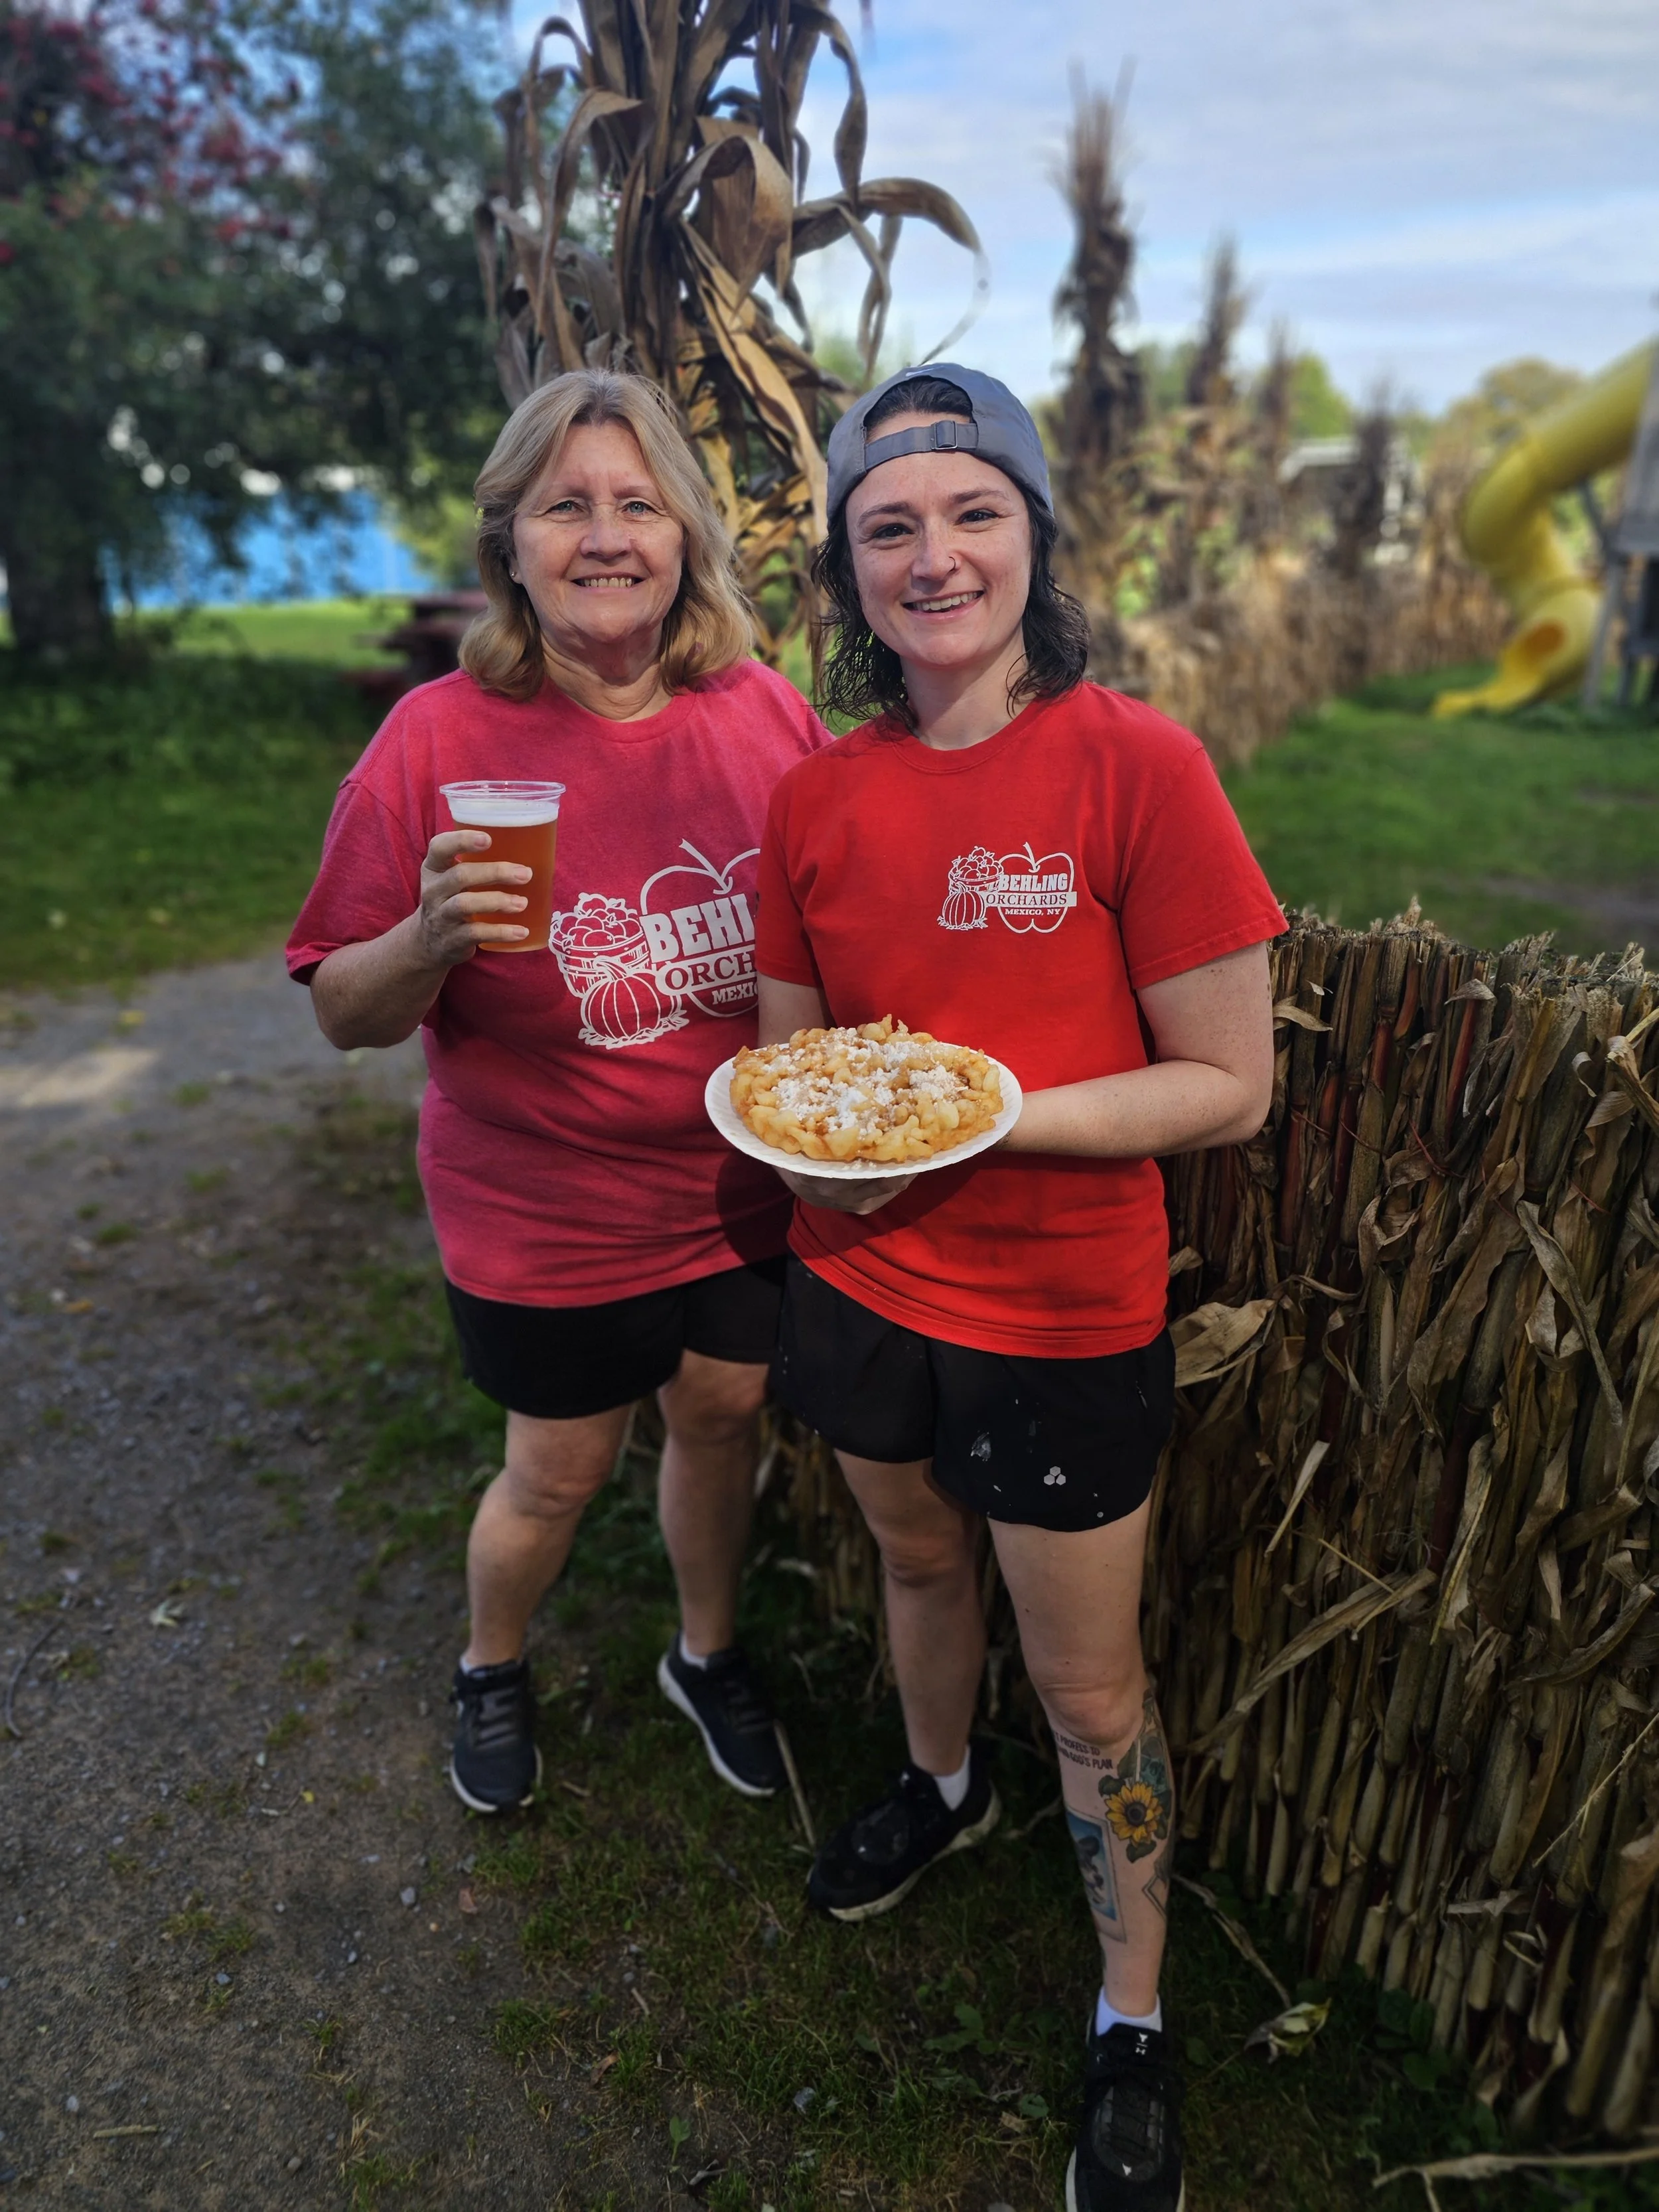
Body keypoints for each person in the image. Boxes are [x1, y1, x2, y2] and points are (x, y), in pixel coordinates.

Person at [753, 364, 1282, 2212]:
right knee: (910, 1558)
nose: (932, 554)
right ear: (845, 570)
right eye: (885, 525)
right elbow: (790, 1059)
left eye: (971, 510)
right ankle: (930, 1781)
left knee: (1093, 1689)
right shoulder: (812, 796)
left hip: (1056, 1307)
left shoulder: (1135, 762)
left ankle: (1129, 2011)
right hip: (854, 1276)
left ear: (1034, 536)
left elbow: (1227, 1080)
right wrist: (834, 1138)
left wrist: (975, 1118)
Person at [287, 368, 830, 1816]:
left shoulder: (763, 715)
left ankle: (704, 1650)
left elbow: (847, 909)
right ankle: (490, 1660)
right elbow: (343, 1004)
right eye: (562, 505)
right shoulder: (437, 742)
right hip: (544, 1203)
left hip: (735, 1183)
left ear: (684, 537)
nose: (603, 535)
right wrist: (430, 937)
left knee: (720, 1413)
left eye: (636, 503)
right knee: (557, 1466)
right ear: (508, 544)